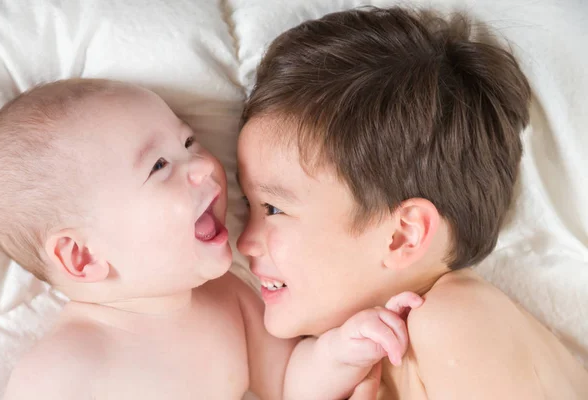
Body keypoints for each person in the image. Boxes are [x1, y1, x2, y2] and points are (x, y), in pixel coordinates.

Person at [0, 78, 420, 400]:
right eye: (159, 165)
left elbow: (291, 384)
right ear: (82, 256)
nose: (201, 166)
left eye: (189, 141)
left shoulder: (229, 299)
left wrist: (342, 352)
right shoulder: (61, 371)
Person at [237, 6, 588, 399]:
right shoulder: (347, 355)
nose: (244, 241)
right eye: (248, 205)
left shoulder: (454, 320)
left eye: (273, 209)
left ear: (401, 236)